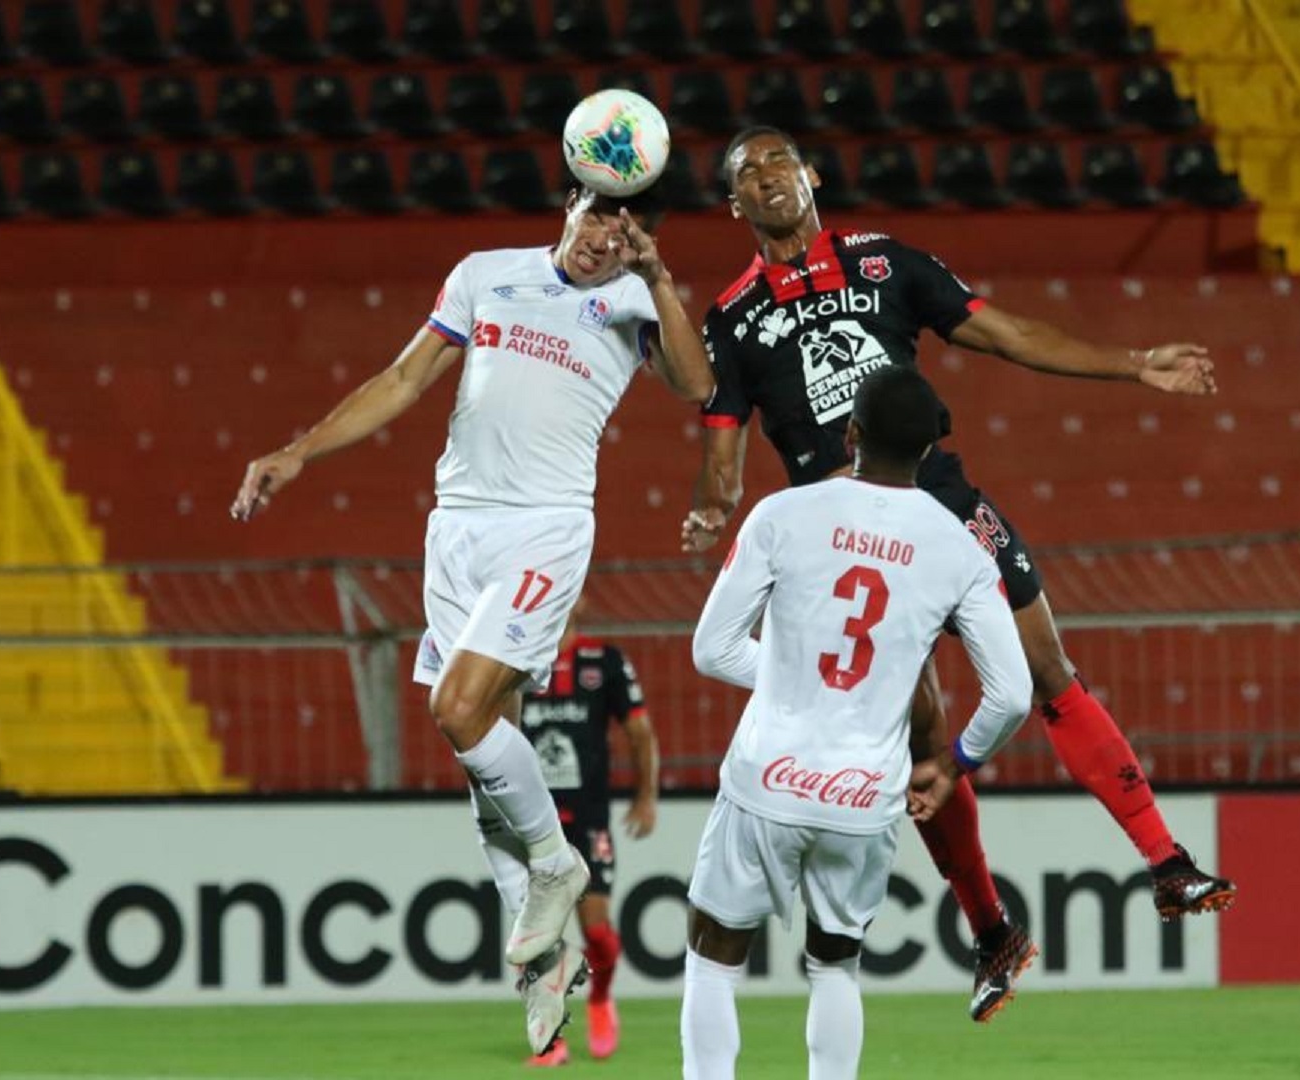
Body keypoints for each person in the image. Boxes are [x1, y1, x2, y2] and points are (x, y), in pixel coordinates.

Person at [682, 126, 1238, 1022]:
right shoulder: (732, 318)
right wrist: (713, 507)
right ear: (734, 205)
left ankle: (1168, 864)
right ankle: (992, 931)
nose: (768, 175)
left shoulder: (885, 263)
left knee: (1047, 669)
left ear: (813, 173)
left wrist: (1137, 366)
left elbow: (1007, 333)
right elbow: (723, 449)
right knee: (921, 741)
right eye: (747, 171)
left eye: (781, 158)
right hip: (840, 543)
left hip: (940, 501)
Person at [230, 187, 712, 1058]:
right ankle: (542, 974)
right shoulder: (487, 276)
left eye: (628, 225)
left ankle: (558, 865)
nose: (609, 235)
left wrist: (660, 276)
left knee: (457, 710)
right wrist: (300, 450)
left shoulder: (637, 299)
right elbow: (406, 378)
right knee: (483, 766)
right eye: (599, 215)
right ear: (568, 201)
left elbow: (697, 382)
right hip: (456, 531)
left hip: (547, 526)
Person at [681, 366, 1034, 1080]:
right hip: (865, 794)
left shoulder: (783, 514)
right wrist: (954, 762)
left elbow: (712, 649)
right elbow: (1013, 695)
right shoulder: (960, 547)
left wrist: (794, 678)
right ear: (930, 452)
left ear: (851, 435)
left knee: (713, 957)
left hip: (766, 778)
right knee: (835, 966)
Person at [515, 595, 660, 1066]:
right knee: (538, 939)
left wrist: (645, 796)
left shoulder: (605, 661)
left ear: (579, 600)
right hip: (536, 827)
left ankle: (599, 997)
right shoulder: (518, 661)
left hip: (590, 817)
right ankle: (551, 1041)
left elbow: (639, 733)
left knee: (596, 932)